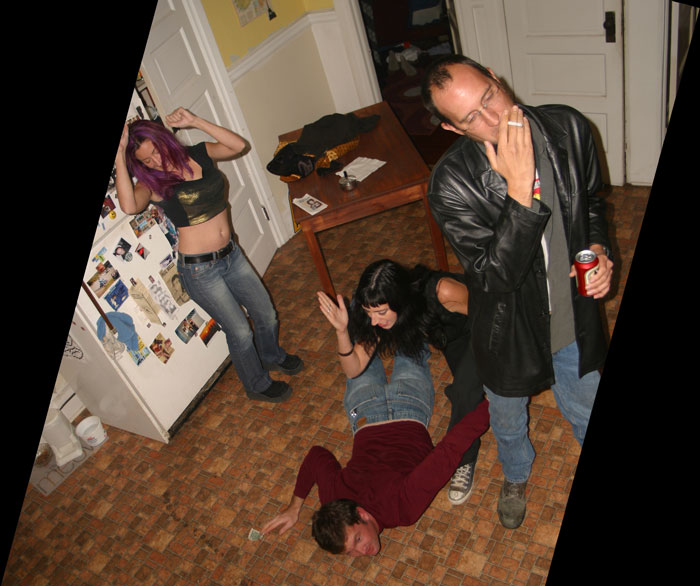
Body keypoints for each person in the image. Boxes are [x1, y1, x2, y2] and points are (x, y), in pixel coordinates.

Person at [421, 55, 614, 529]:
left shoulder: (569, 128)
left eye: (489, 96)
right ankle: (516, 474)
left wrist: (596, 248)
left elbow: (591, 203)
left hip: (571, 316)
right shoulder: (449, 184)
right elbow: (495, 277)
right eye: (472, 117)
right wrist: (519, 190)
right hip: (506, 333)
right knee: (507, 421)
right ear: (453, 128)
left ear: (495, 76)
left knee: (587, 405)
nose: (493, 117)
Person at [260, 259, 490, 556]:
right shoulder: (339, 506)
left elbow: (449, 452)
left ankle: (370, 311)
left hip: (380, 411)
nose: (362, 552)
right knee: (410, 339)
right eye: (352, 551)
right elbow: (445, 453)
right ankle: (367, 317)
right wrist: (296, 506)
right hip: (401, 407)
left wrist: (495, 402)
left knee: (396, 331)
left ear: (361, 514)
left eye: (357, 541)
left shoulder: (400, 509)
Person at [115, 107, 303, 402]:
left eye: (155, 151)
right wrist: (119, 154)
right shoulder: (151, 184)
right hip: (199, 271)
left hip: (232, 255)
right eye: (146, 160)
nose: (155, 161)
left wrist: (195, 121)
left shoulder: (199, 154)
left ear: (165, 140)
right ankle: (256, 385)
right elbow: (128, 206)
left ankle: (271, 356)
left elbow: (238, 145)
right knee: (240, 332)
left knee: (266, 313)